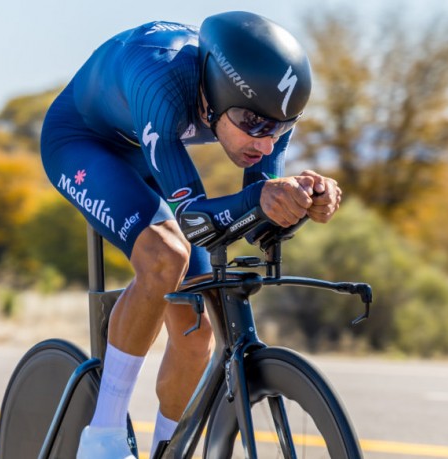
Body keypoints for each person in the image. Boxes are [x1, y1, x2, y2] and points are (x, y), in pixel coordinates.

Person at [40, 10, 342, 459]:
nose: (264, 143)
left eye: (279, 129)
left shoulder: (265, 105)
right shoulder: (160, 80)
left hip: (149, 147)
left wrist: (300, 201)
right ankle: (101, 438)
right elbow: (195, 222)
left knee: (196, 319)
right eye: (253, 125)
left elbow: (258, 213)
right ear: (216, 95)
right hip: (83, 142)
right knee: (165, 255)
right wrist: (264, 200)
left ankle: (168, 449)